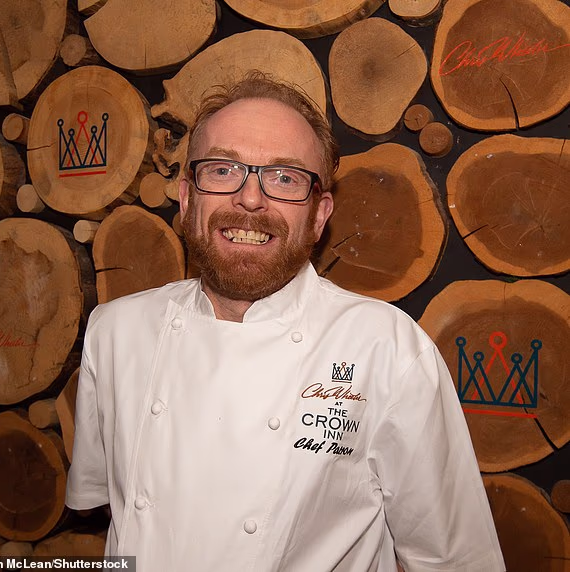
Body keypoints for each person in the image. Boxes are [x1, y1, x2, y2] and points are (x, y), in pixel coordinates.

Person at [66, 72, 505, 571]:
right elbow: (108, 505)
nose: (251, 199)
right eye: (223, 169)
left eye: (284, 177)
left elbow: (456, 562)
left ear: (319, 216)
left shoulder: (388, 350)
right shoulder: (114, 332)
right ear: (187, 199)